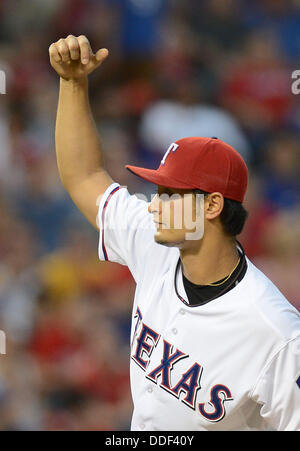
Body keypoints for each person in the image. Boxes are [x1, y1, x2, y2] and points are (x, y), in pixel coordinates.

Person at [49, 35, 300, 431]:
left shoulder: (274, 329)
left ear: (213, 206)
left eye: (170, 195)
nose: (154, 205)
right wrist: (73, 84)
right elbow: (84, 177)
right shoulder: (155, 242)